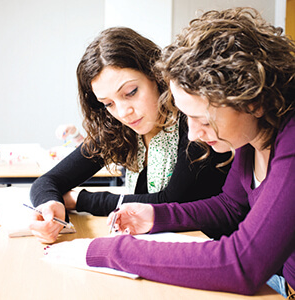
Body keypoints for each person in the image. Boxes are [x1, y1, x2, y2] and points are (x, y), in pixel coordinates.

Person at [44, 8, 295, 297]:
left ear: (253, 100)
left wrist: (107, 251)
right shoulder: (250, 138)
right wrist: (155, 215)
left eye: (203, 119)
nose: (194, 134)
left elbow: (242, 265)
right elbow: (229, 205)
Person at [29, 27, 230, 244]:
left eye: (131, 92)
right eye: (109, 104)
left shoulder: (193, 122)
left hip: (210, 247)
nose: (123, 112)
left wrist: (81, 200)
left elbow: (172, 201)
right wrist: (51, 205)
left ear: (156, 75)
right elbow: (48, 181)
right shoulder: (120, 128)